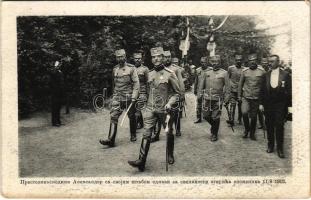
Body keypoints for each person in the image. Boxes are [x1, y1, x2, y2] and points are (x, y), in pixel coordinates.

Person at [128, 47, 181, 172]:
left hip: (164, 109)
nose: (156, 59)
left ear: (163, 58)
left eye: (158, 56)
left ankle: (170, 154)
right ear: (151, 59)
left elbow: (177, 94)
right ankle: (141, 160)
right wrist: (143, 99)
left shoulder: (170, 73)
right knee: (146, 133)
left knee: (168, 132)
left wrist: (170, 103)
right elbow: (146, 90)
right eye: (153, 57)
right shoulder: (150, 73)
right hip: (151, 108)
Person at [99, 49, 140, 147]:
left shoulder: (131, 68)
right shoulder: (115, 69)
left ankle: (133, 134)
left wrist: (134, 96)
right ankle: (111, 140)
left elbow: (136, 83)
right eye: (118, 57)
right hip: (117, 97)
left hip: (129, 97)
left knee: (131, 116)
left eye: (121, 56)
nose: (120, 58)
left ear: (125, 56)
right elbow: (114, 84)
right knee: (113, 115)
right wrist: (113, 96)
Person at [262, 55, 291, 158]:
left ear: (278, 62)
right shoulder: (265, 75)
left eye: (272, 61)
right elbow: (262, 91)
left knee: (279, 126)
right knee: (269, 125)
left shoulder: (286, 75)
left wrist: (290, 108)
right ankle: (270, 145)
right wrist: (261, 104)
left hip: (280, 105)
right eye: (269, 61)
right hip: (268, 104)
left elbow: (290, 92)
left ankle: (280, 148)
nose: (270, 63)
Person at [198, 55, 228, 142]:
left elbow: (228, 87)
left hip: (218, 99)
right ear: (211, 62)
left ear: (220, 63)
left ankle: (214, 134)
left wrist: (226, 98)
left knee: (215, 117)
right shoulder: (207, 72)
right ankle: (214, 127)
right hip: (207, 98)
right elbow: (201, 85)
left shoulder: (224, 73)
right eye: (213, 62)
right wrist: (199, 95)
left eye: (217, 62)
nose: (215, 64)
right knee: (206, 115)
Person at [238, 53, 266, 140]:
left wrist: (263, 100)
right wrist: (239, 96)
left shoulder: (262, 72)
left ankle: (252, 133)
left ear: (256, 61)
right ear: (248, 62)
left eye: (254, 60)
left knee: (254, 117)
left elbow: (264, 86)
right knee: (244, 113)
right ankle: (247, 129)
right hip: (246, 97)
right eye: (250, 61)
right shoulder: (245, 71)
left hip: (256, 98)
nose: (252, 62)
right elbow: (240, 84)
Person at [225, 54, 245, 126]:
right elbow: (227, 78)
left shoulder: (244, 69)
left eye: (240, 60)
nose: (238, 61)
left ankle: (239, 119)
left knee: (240, 106)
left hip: (241, 91)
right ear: (235, 60)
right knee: (232, 105)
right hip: (233, 90)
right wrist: (228, 89)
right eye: (237, 60)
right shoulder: (231, 68)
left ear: (242, 61)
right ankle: (231, 120)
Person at [193, 56, 212, 123]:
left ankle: (209, 115)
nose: (202, 63)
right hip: (199, 89)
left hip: (208, 89)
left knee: (208, 102)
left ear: (207, 62)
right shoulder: (198, 70)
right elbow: (196, 80)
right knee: (199, 103)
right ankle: (198, 117)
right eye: (201, 62)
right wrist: (195, 89)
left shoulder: (210, 70)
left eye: (204, 62)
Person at [133, 52, 149, 129]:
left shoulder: (145, 69)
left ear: (141, 59)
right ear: (134, 59)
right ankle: (141, 123)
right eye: (136, 58)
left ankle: (135, 126)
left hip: (142, 92)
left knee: (139, 109)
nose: (137, 60)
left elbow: (148, 82)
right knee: (135, 108)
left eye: (139, 58)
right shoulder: (131, 69)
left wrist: (148, 94)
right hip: (133, 92)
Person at [49, 60, 65, 127]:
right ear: (55, 65)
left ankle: (58, 121)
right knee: (54, 107)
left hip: (59, 93)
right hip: (54, 93)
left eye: (59, 65)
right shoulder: (53, 71)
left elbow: (61, 81)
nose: (59, 66)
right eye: (58, 65)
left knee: (58, 107)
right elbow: (53, 74)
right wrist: (55, 67)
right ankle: (54, 122)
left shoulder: (59, 72)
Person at [257, 57, 270, 129]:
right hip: (260, 91)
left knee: (268, 108)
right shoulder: (259, 70)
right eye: (263, 62)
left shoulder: (270, 70)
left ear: (268, 63)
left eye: (266, 62)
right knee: (260, 109)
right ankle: (261, 123)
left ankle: (267, 122)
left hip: (268, 92)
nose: (264, 64)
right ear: (261, 63)